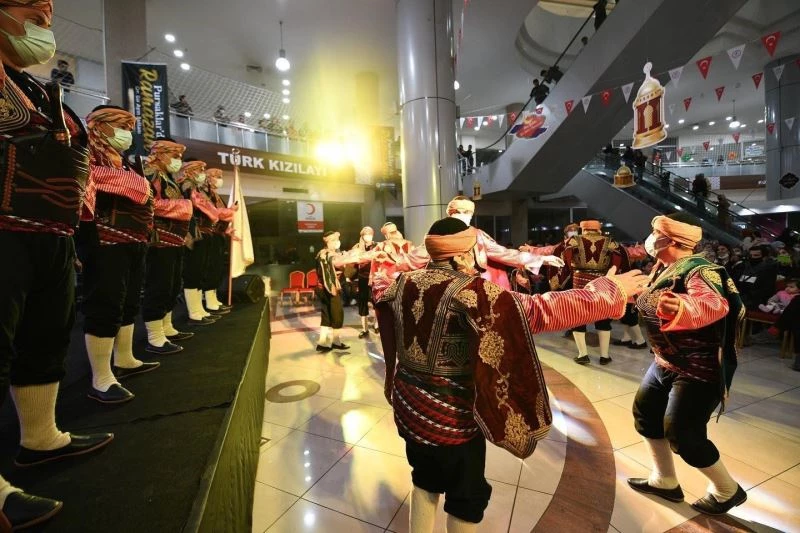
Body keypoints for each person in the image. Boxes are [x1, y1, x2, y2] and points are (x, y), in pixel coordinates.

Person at [373, 217, 648, 533]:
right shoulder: (473, 292)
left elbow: (380, 290)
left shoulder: (402, 282)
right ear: (462, 254)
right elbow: (539, 310)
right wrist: (609, 290)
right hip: (452, 417)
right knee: (466, 498)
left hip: (410, 409)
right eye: (477, 249)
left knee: (424, 479)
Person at [0, 1, 113, 527]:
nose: (43, 27)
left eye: (47, 19)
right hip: (4, 230)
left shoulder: (44, 93)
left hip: (53, 234)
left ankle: (40, 439)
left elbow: (82, 163)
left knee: (47, 335)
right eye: (32, 14)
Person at [628, 213, 747, 516]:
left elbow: (713, 304)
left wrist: (681, 305)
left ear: (673, 240)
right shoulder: (664, 268)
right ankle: (664, 479)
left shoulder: (700, 270)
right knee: (646, 414)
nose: (651, 238)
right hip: (664, 361)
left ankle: (727, 491)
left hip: (698, 367)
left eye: (655, 233)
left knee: (683, 433)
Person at [79, 106, 160, 405]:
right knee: (105, 303)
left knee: (127, 301)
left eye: (129, 125)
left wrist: (134, 184)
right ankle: (101, 378)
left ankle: (124, 358)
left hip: (133, 239)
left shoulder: (125, 163)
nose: (127, 131)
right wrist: (137, 185)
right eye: (120, 125)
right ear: (99, 126)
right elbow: (90, 177)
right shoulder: (85, 151)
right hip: (103, 237)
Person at [142, 139, 195, 353]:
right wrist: (183, 206)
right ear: (161, 154)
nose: (178, 161)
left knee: (172, 286)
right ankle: (155, 337)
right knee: (159, 286)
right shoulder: (150, 173)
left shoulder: (168, 178)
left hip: (174, 239)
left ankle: (167, 328)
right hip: (158, 240)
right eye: (175, 156)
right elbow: (148, 201)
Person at [178, 160, 221, 325]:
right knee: (193, 273)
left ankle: (199, 310)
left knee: (201, 272)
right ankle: (194, 313)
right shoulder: (186, 187)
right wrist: (219, 212)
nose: (202, 173)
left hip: (203, 234)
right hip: (192, 235)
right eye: (199, 170)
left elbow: (212, 211)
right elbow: (205, 208)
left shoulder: (197, 189)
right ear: (189, 171)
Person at [201, 168, 237, 313]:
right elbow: (214, 214)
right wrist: (231, 211)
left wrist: (227, 230)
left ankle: (213, 298)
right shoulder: (203, 193)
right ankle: (208, 302)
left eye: (221, 176)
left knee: (217, 269)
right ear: (208, 177)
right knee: (210, 269)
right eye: (217, 176)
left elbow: (221, 219)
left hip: (218, 236)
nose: (219, 179)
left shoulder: (215, 195)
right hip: (208, 235)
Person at [315, 231, 356, 352]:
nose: (336, 242)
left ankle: (322, 343)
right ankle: (336, 341)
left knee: (327, 315)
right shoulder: (326, 254)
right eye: (333, 240)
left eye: (337, 239)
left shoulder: (328, 253)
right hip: (329, 288)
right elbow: (328, 272)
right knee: (337, 314)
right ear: (327, 241)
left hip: (324, 288)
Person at [351, 226, 377, 338]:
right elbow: (352, 263)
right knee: (362, 302)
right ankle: (364, 328)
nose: (368, 236)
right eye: (366, 234)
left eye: (370, 234)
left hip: (375, 277)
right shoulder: (357, 247)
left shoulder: (377, 246)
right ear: (362, 236)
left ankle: (377, 325)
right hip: (362, 277)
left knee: (377, 301)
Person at [734, 245, 778, 310]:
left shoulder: (769, 270)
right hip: (740, 296)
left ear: (764, 257)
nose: (752, 257)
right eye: (750, 255)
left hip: (755, 301)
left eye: (756, 255)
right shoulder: (743, 266)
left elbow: (766, 290)